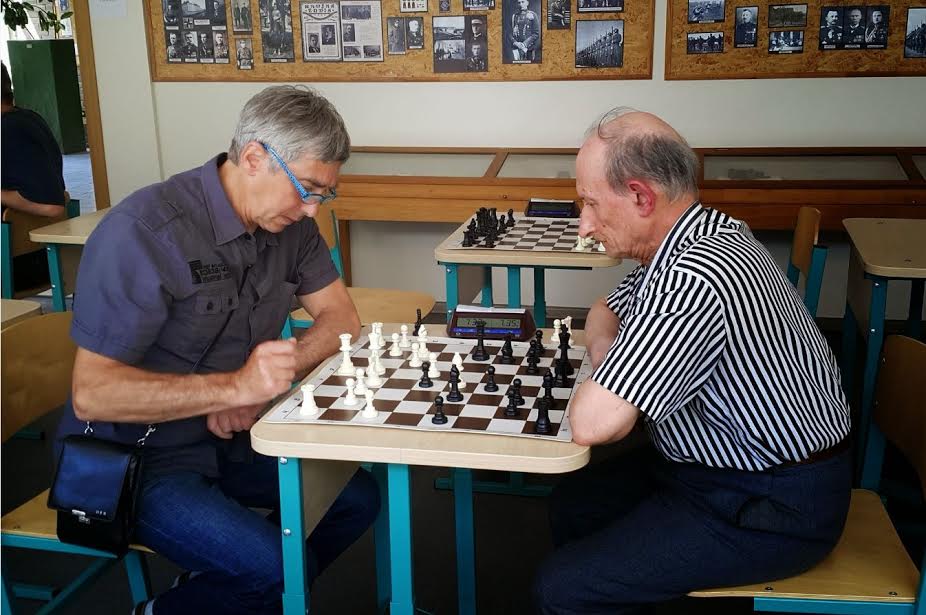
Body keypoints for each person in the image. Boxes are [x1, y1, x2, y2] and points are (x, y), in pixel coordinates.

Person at [56, 85, 380, 615]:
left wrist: (259, 389)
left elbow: (341, 319)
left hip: (228, 437)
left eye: (323, 195)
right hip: (135, 458)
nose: (310, 209)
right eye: (306, 189)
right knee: (278, 572)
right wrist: (233, 387)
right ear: (253, 157)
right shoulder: (144, 232)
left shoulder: (291, 227)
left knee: (355, 500)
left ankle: (224, 590)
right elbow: (93, 394)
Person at [532, 108, 852, 614]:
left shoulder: (696, 276)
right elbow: (603, 310)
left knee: (561, 590)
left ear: (641, 197)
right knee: (575, 503)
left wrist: (615, 376)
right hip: (708, 467)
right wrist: (613, 359)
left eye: (590, 203)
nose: (584, 224)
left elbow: (594, 424)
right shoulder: (692, 237)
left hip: (772, 503)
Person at [1, 63, 68, 291]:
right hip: (40, 259)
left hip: (21, 265)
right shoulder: (28, 118)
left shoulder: (9, 131)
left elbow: (52, 207)